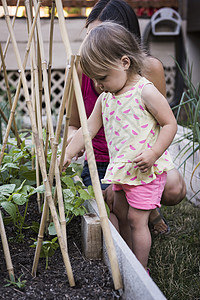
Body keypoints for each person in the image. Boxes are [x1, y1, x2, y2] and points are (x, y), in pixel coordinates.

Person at [62, 22, 178, 271]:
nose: (99, 85)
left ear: (125, 62)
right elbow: (88, 129)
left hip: (145, 170)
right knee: (123, 215)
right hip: (122, 170)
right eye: (94, 80)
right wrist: (69, 153)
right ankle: (128, 259)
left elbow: (170, 124)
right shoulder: (106, 99)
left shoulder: (144, 91)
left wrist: (154, 153)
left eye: (103, 77)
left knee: (137, 219)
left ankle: (141, 268)